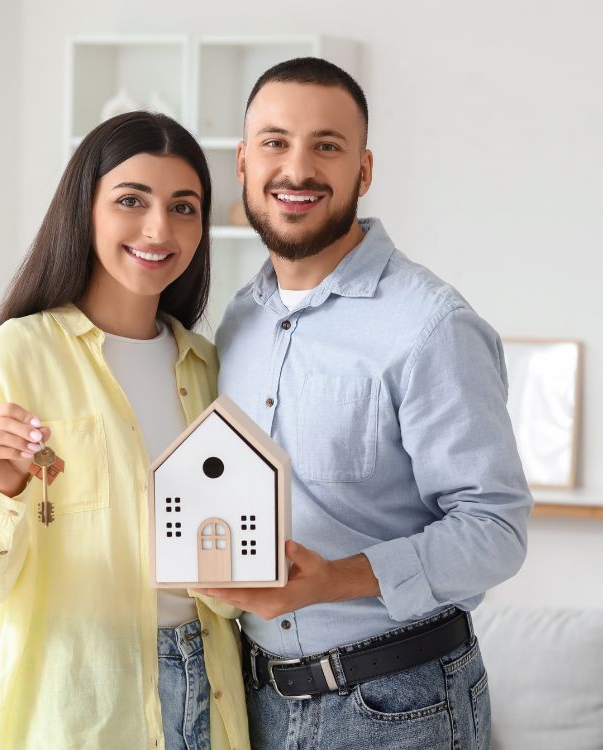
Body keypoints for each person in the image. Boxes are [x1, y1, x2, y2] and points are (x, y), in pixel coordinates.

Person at [200, 58, 533, 749]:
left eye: (327, 145)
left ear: (364, 169)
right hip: (255, 699)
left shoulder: (430, 325)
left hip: (398, 709)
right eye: (274, 142)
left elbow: (496, 529)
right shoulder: (237, 323)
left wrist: (335, 581)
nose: (297, 169)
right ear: (241, 163)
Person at [0, 111, 249, 750]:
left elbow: (225, 584)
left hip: (211, 699)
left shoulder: (210, 367)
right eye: (131, 201)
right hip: (80, 713)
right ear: (85, 209)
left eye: (183, 207)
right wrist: (2, 492)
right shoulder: (16, 356)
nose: (159, 228)